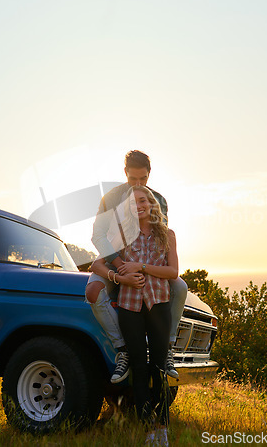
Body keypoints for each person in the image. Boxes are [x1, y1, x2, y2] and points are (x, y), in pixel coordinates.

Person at [85, 150, 188, 383]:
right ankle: (123, 349)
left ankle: (167, 348)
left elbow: (159, 240)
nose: (138, 184)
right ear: (125, 174)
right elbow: (98, 235)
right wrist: (121, 266)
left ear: (149, 174)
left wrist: (141, 268)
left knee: (181, 288)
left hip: (145, 265)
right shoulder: (110, 198)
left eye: (143, 179)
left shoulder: (159, 199)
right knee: (93, 292)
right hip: (115, 261)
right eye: (133, 179)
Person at [91, 185, 177, 444]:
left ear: (152, 204)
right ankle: (147, 427)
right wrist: (119, 277)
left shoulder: (168, 235)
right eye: (132, 202)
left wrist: (141, 266)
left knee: (159, 366)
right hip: (130, 307)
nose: (138, 205)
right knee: (139, 366)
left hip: (159, 304)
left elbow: (173, 272)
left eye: (143, 200)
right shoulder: (120, 235)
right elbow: (97, 264)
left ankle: (162, 424)